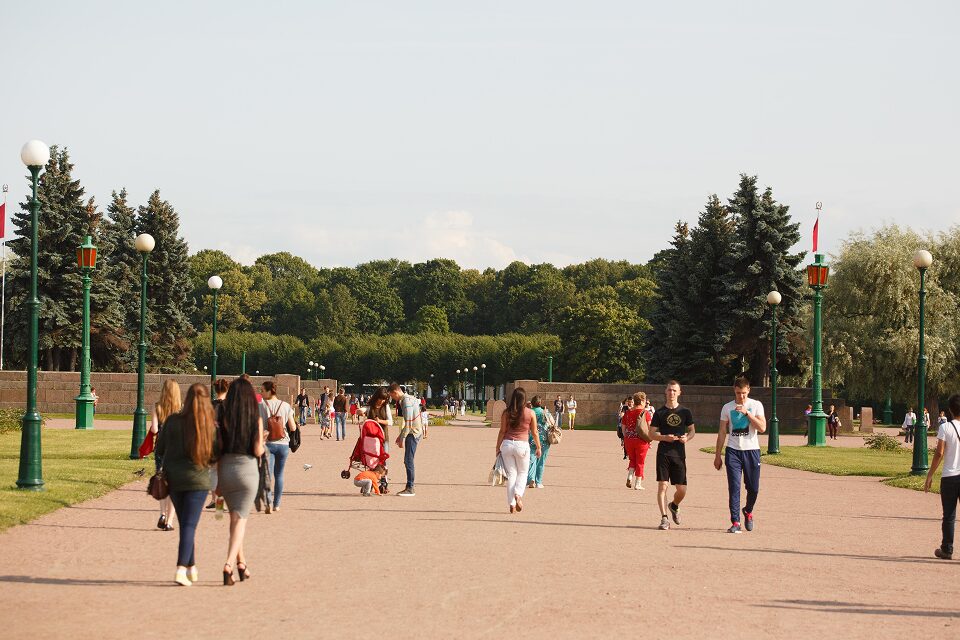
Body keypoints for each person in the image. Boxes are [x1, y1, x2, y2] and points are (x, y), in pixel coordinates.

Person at [155, 383, 219, 586]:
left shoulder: (173, 421)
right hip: (198, 481)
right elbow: (215, 455)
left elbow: (160, 449)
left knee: (185, 524)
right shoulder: (209, 425)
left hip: (174, 479)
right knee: (189, 525)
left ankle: (191, 566)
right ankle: (181, 568)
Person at [218, 377, 265, 586]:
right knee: (241, 520)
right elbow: (257, 450)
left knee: (234, 520)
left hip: (226, 470)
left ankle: (241, 564)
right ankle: (228, 564)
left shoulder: (224, 417)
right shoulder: (255, 419)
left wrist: (217, 482)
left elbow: (219, 449)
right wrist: (263, 441)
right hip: (247, 471)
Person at [714, 377, 767, 533]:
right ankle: (735, 522)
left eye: (744, 393)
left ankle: (748, 510)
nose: (741, 396)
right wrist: (717, 455)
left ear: (748, 390)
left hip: (752, 451)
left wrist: (747, 414)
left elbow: (762, 428)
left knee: (753, 488)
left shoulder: (756, 405)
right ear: (734, 390)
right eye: (738, 393)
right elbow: (722, 432)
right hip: (733, 451)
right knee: (734, 487)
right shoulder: (727, 408)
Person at [650, 380, 695, 530]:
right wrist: (664, 437)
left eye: (674, 390)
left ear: (679, 393)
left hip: (679, 454)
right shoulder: (659, 412)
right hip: (663, 453)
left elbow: (692, 430)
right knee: (663, 486)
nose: (672, 393)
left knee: (682, 490)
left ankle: (674, 505)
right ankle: (664, 519)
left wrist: (686, 438)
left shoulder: (685, 412)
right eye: (669, 390)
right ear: (666, 391)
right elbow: (651, 434)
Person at [925, 394, 960, 560]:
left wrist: (930, 475)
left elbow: (939, 453)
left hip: (950, 476)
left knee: (949, 515)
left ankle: (947, 549)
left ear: (950, 410)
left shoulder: (946, 427)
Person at [496, 387, 540, 513]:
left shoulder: (506, 413)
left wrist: (497, 447)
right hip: (522, 445)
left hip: (507, 445)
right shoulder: (530, 413)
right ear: (524, 399)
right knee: (523, 472)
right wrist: (538, 447)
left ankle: (512, 504)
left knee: (511, 474)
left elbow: (502, 431)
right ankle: (518, 494)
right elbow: (534, 432)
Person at [261, 381, 297, 514]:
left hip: (268, 443)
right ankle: (277, 504)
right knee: (279, 474)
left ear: (269, 391)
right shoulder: (286, 405)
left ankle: (268, 503)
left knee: (268, 475)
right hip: (283, 444)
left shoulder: (261, 405)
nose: (261, 393)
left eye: (262, 390)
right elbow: (293, 427)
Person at [151, 379, 182, 531]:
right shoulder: (180, 409)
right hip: (176, 450)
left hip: (161, 448)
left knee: (162, 482)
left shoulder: (157, 407)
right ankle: (169, 522)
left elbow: (154, 430)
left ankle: (162, 514)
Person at [391, 383, 424, 497]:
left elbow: (409, 422)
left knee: (408, 460)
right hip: (415, 431)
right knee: (408, 460)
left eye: (392, 396)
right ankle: (409, 486)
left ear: (395, 392)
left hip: (412, 433)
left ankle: (410, 488)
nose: (393, 399)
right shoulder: (410, 398)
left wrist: (402, 438)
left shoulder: (406, 402)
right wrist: (400, 435)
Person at [206, 378, 230, 511]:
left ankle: (214, 499)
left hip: (213, 441)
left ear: (215, 390)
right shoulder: (231, 405)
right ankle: (221, 503)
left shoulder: (210, 405)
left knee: (213, 471)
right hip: (227, 442)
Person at [622, 392, 651, 490]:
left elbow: (623, 427)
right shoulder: (645, 413)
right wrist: (649, 439)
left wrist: (626, 437)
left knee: (632, 459)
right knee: (640, 462)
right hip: (641, 441)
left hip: (629, 440)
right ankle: (638, 483)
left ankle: (630, 476)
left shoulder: (627, 412)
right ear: (642, 401)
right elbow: (649, 427)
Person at [526, 396, 552, 489]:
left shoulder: (529, 412)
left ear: (532, 403)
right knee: (541, 461)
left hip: (531, 439)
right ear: (540, 403)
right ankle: (539, 482)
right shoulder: (545, 412)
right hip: (544, 440)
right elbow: (552, 423)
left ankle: (531, 479)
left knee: (531, 460)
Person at [617, 396, 633, 461]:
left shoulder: (635, 408)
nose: (630, 403)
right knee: (625, 440)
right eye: (629, 402)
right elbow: (622, 414)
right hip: (626, 426)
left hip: (632, 427)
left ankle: (631, 453)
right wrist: (621, 414)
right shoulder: (625, 407)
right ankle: (626, 454)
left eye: (631, 402)